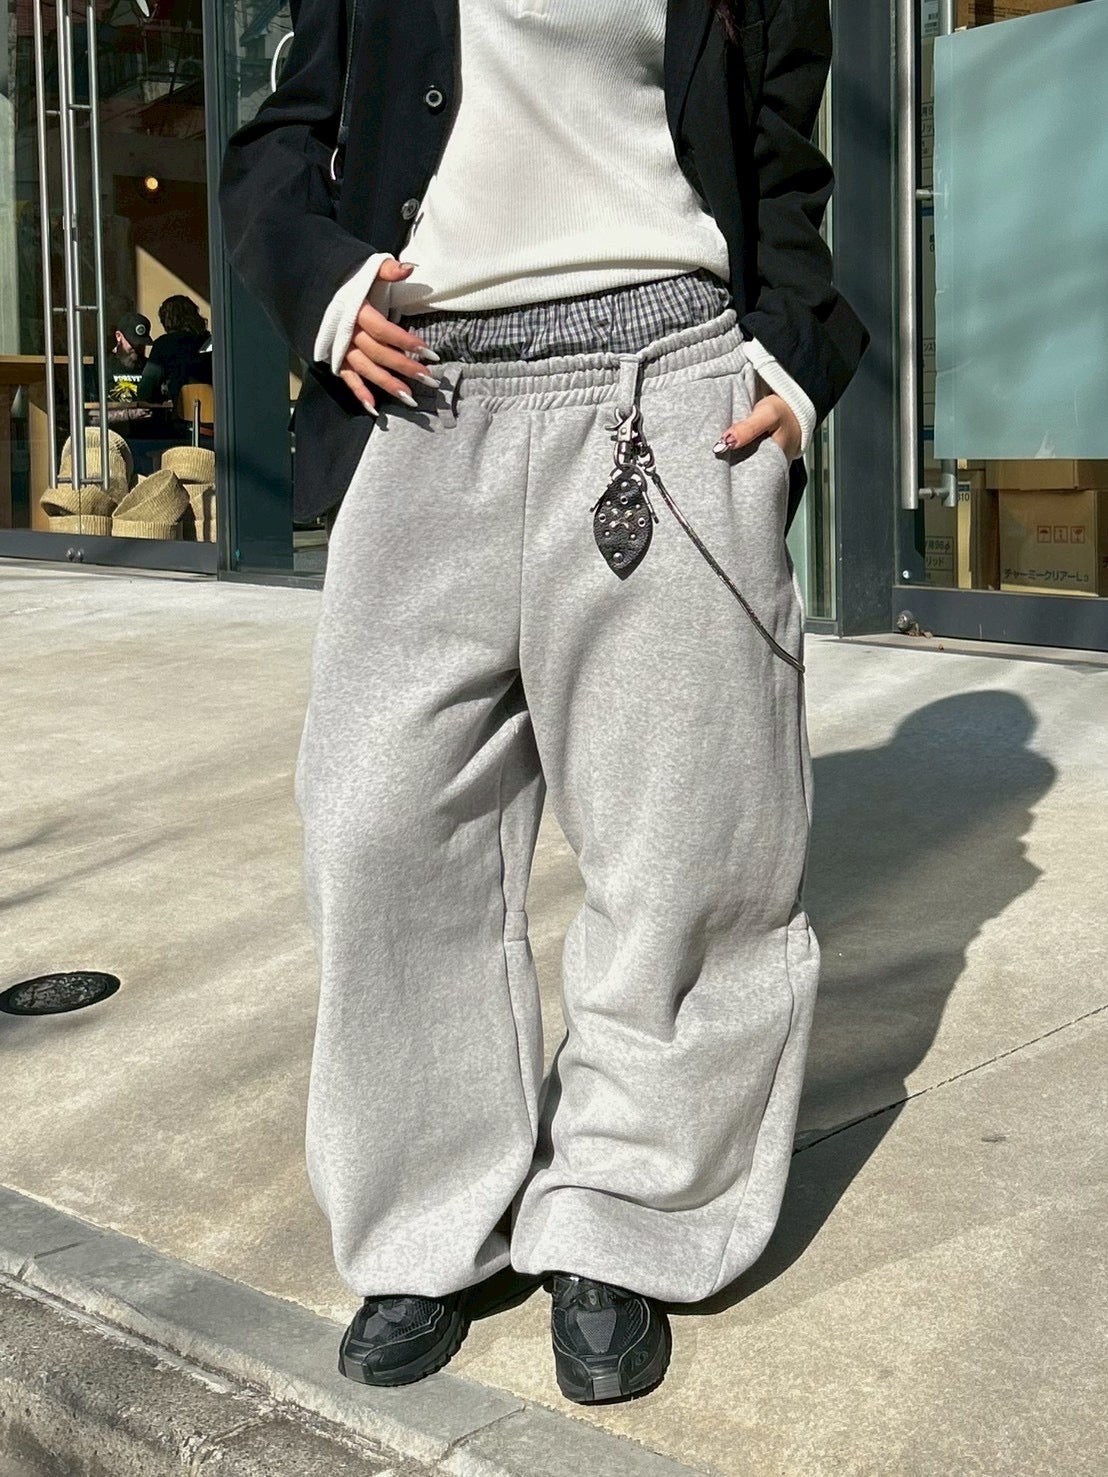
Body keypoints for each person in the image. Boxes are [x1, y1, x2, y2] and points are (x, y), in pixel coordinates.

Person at [219, 0, 867, 1404]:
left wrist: (792, 365)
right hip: (421, 399)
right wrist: (324, 290)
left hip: (670, 393)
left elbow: (783, 167)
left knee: (684, 846)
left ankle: (624, 1212)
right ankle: (428, 1209)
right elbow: (278, 142)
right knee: (379, 827)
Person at [134, 294, 213, 407]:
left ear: (166, 321)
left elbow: (146, 390)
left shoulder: (164, 344)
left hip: (179, 411)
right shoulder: (209, 342)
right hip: (215, 411)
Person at [83, 311, 151, 404]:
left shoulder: (151, 368)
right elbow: (89, 407)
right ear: (118, 336)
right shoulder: (100, 367)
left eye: (142, 343)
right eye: (133, 342)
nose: (137, 347)